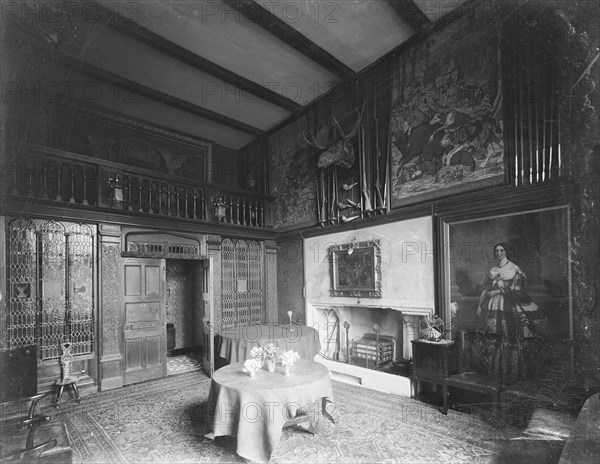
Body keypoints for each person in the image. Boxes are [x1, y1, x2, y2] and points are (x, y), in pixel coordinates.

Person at [476, 242, 551, 383]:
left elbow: (518, 289)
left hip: (509, 305)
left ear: (506, 252)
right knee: (494, 334)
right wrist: (479, 305)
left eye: (501, 250)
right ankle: (495, 372)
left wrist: (497, 291)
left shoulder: (514, 268)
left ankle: (511, 374)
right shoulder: (492, 270)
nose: (498, 253)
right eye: (496, 251)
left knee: (509, 335)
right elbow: (485, 290)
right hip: (494, 306)